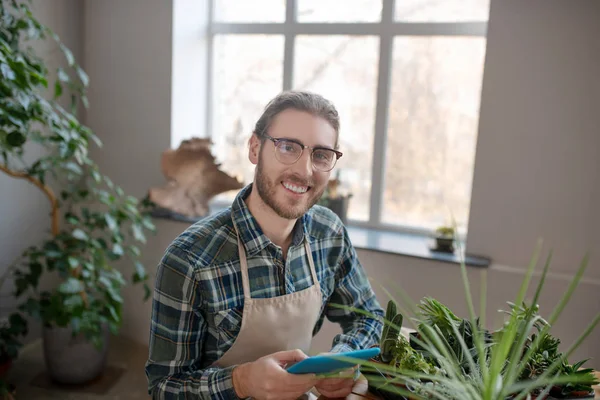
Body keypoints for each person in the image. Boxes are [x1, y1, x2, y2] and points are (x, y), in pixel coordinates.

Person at [145, 91, 384, 400]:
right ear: (255, 148)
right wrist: (242, 382)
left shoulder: (329, 233)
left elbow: (369, 316)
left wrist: (340, 362)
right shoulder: (189, 259)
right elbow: (164, 388)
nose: (305, 170)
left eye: (321, 154)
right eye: (287, 147)